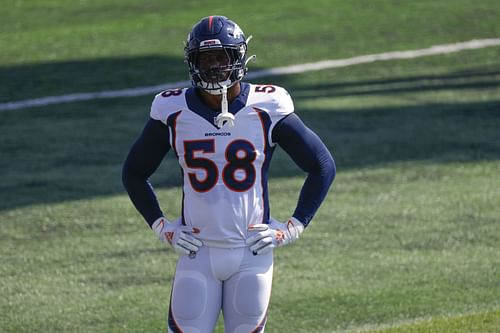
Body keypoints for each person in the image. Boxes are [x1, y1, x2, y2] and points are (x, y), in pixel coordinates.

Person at [122, 15, 336, 333]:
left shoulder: (268, 106)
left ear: (239, 58)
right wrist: (160, 226)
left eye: (221, 57)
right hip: (198, 249)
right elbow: (134, 172)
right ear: (192, 63)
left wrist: (293, 227)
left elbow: (322, 165)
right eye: (205, 59)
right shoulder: (172, 110)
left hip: (251, 250)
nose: (214, 67)